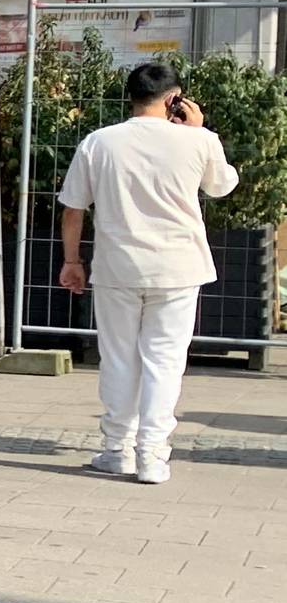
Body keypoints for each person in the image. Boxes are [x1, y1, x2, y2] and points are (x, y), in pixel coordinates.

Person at [57, 62, 240, 485]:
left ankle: (116, 448)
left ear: (130, 95)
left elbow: (73, 209)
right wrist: (199, 130)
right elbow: (221, 186)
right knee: (165, 361)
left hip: (118, 264)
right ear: (175, 98)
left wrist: (72, 261)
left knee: (119, 359)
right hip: (179, 265)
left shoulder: (99, 142)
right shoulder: (198, 141)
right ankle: (153, 455)